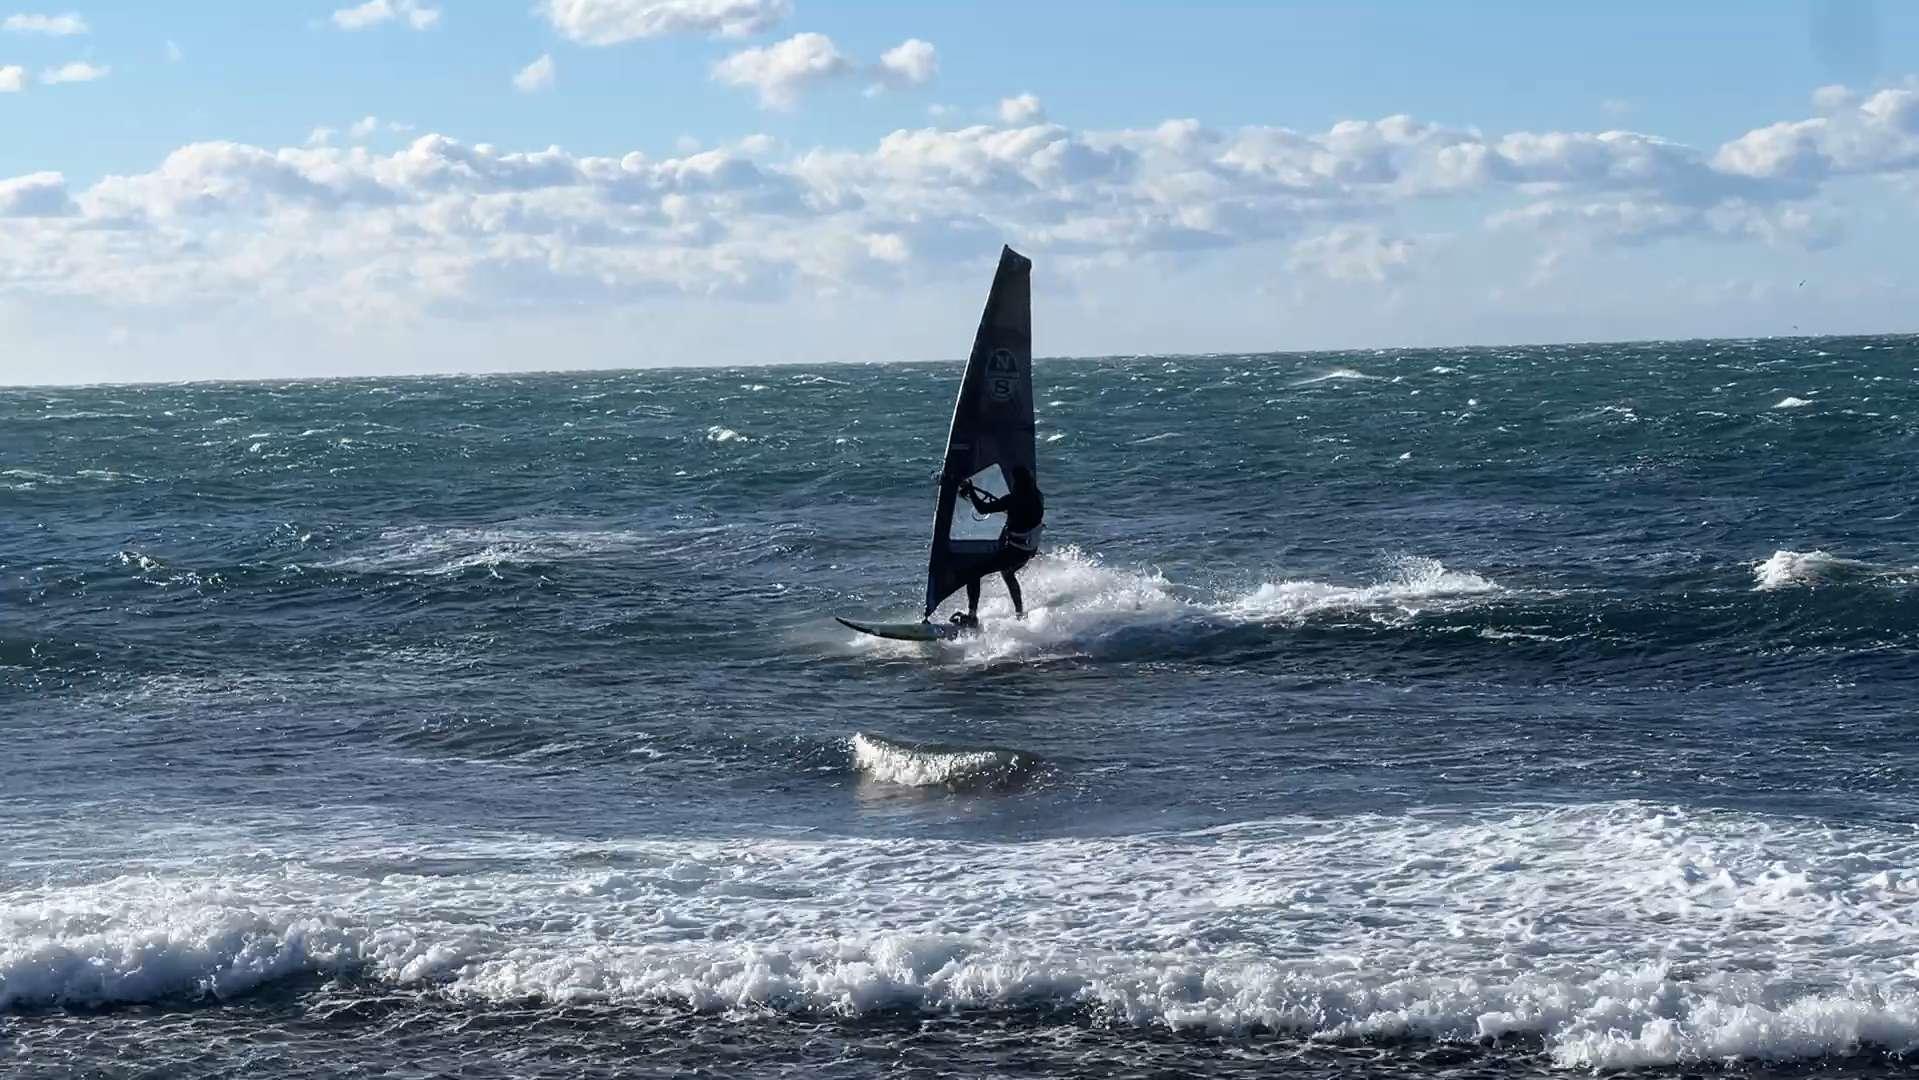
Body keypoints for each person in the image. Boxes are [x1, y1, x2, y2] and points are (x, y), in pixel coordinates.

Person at [951, 465, 1044, 627]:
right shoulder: (1037, 497)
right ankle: (1020, 613)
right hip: (1028, 549)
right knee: (1007, 573)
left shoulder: (1012, 500)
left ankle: (972, 615)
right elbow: (1024, 515)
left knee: (973, 572)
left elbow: (982, 509)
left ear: (1017, 483)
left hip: (1016, 550)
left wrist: (971, 489)